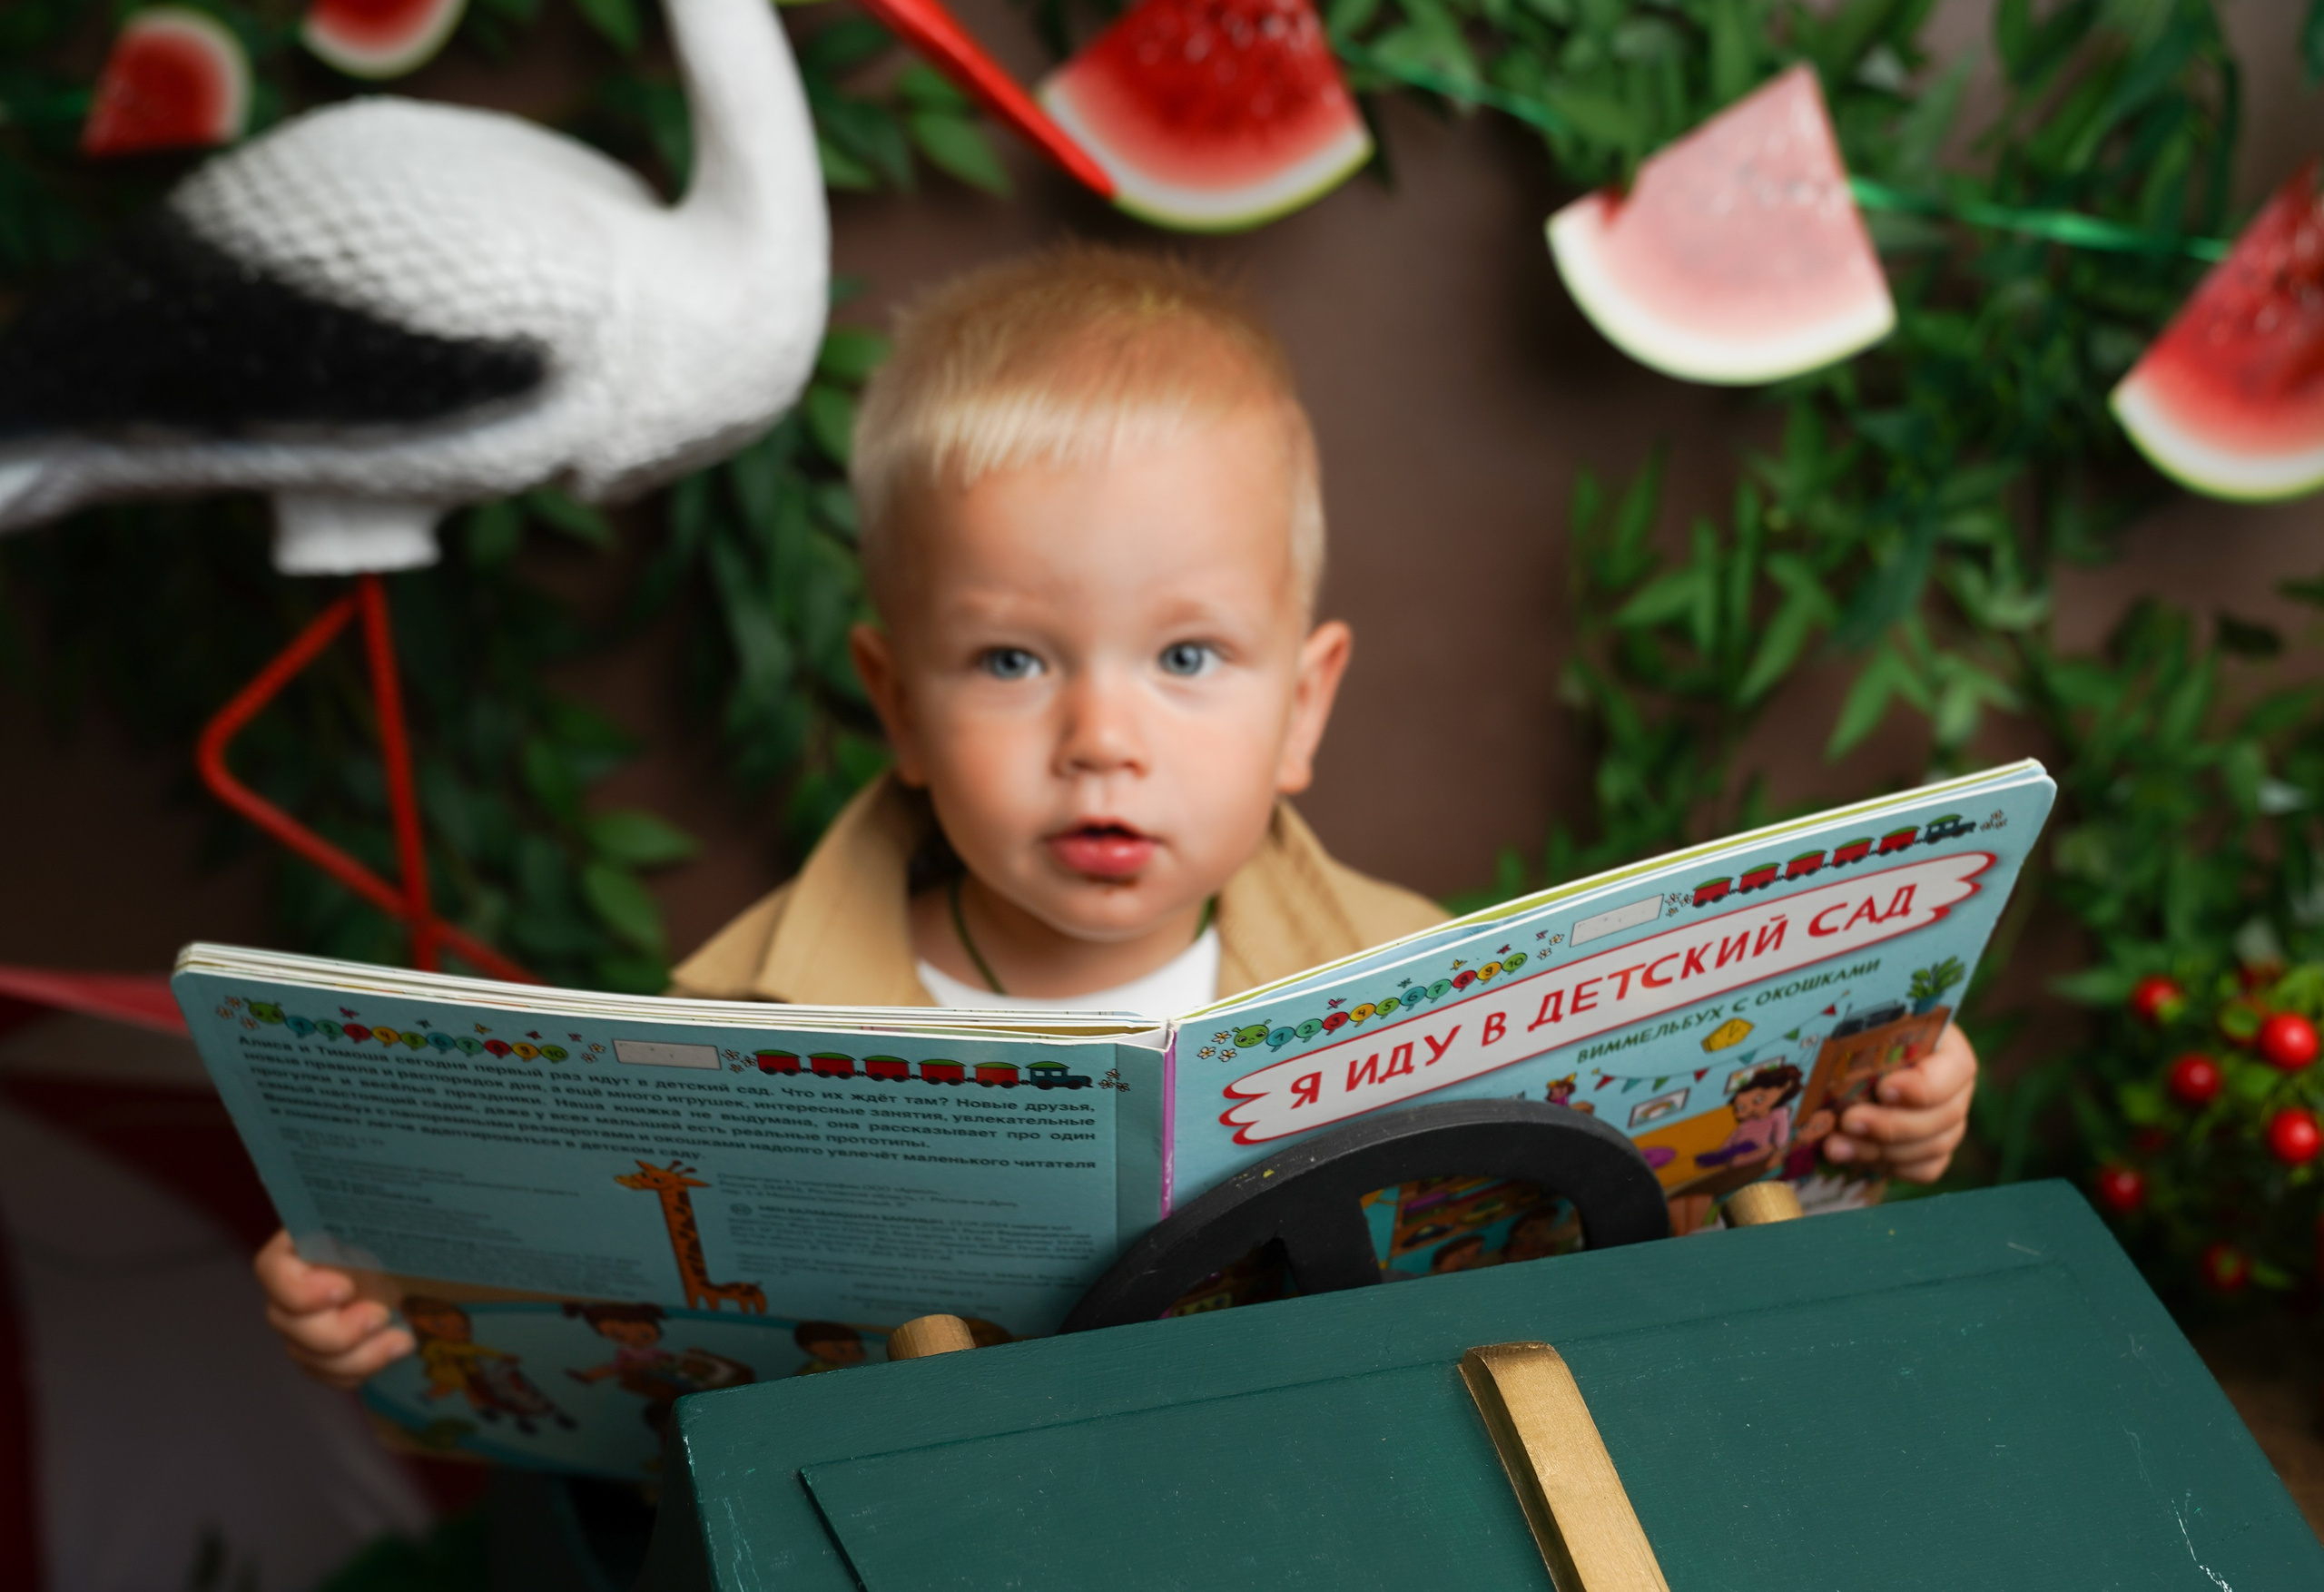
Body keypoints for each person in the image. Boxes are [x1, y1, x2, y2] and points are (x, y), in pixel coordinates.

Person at [251, 244, 1984, 1389]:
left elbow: (1616, 1235)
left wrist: (1867, 1136)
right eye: (1010, 657)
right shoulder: (723, 1036)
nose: (1100, 737)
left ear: (1303, 706)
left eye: (1185, 655)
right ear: (895, 706)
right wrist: (408, 1323)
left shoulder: (1422, 983)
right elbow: (609, 1368)